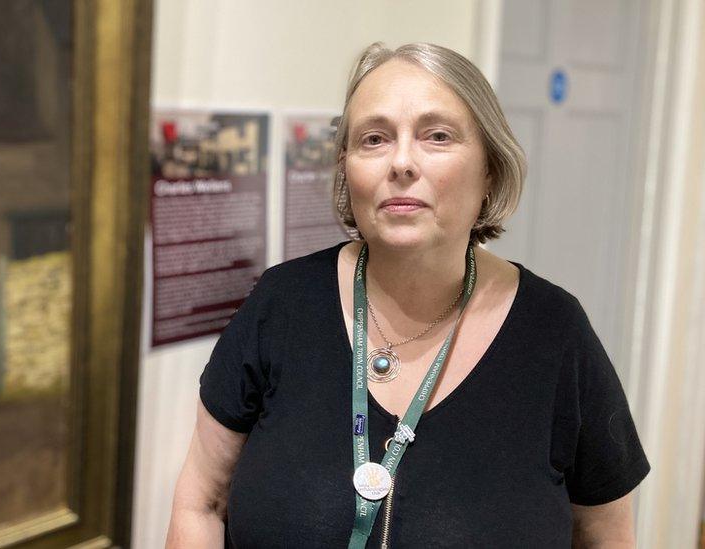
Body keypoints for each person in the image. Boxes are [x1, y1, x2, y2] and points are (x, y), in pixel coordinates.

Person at [166, 42, 649, 548]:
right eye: (374, 139)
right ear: (346, 167)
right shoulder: (281, 304)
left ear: (490, 167)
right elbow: (201, 501)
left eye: (437, 136)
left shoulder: (555, 333)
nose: (400, 162)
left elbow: (605, 533)